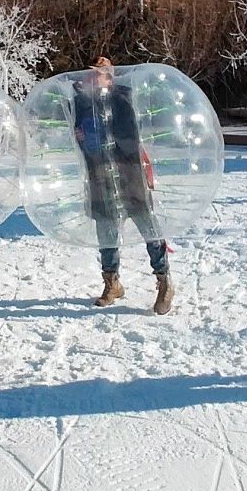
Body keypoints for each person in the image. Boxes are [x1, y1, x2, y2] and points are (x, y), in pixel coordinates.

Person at [73, 57, 175, 314]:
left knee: (147, 226)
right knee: (106, 231)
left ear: (110, 77)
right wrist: (82, 136)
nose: (94, 78)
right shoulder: (82, 103)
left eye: (100, 74)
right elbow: (77, 134)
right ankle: (112, 284)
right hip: (98, 176)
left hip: (129, 174)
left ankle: (164, 281)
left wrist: (106, 139)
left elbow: (131, 138)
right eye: (92, 74)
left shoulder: (122, 99)